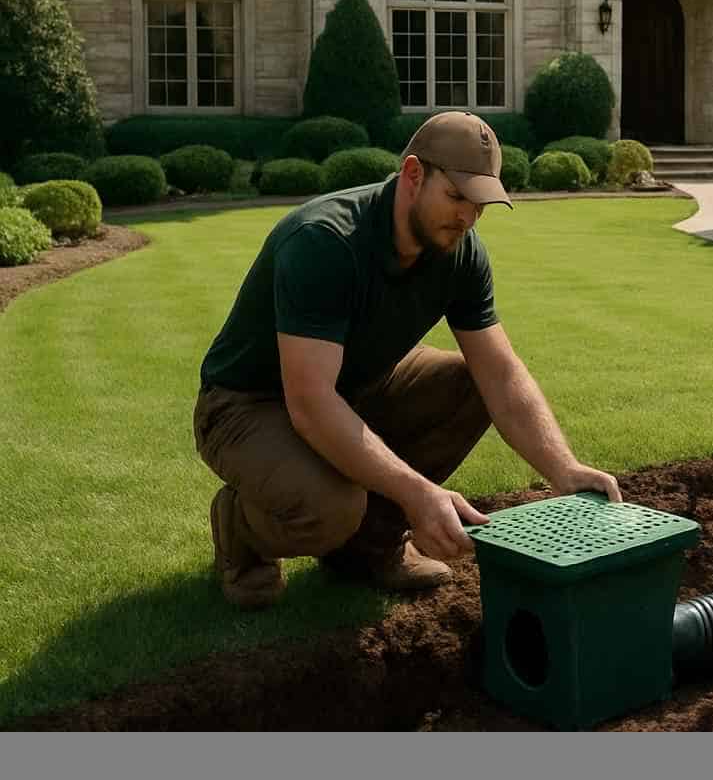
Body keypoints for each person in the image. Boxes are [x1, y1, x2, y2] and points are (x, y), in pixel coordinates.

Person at [193, 111, 621, 609]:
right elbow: (309, 402)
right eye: (457, 196)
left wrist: (563, 468)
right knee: (332, 508)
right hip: (247, 404)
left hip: (355, 385)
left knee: (471, 384)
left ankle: (370, 547)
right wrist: (418, 494)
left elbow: (501, 375)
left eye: (479, 204)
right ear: (414, 175)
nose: (467, 217)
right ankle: (241, 531)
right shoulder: (325, 241)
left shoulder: (461, 253)